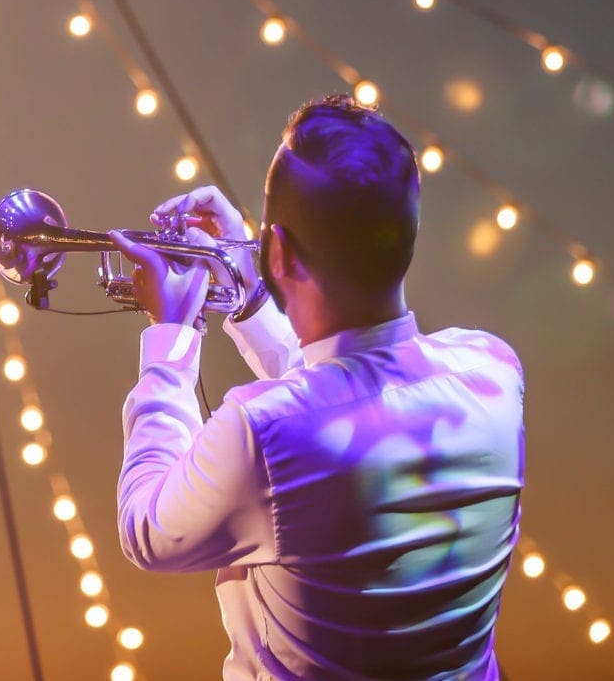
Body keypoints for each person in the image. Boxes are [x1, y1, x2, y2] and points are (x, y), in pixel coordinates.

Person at [107, 94, 525, 680]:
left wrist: (171, 341)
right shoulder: (494, 371)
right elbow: (338, 413)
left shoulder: (260, 430)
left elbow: (146, 530)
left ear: (276, 247)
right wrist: (255, 291)